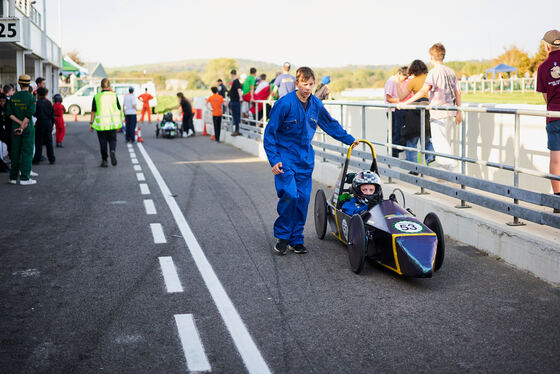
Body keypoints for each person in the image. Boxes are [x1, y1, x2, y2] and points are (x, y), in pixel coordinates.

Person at [263, 66, 359, 255]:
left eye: (311, 84)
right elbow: (269, 135)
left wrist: (349, 139)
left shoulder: (316, 104)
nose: (307, 88)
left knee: (303, 199)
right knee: (290, 195)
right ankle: (283, 237)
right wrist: (274, 160)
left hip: (305, 159)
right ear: (296, 84)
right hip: (285, 158)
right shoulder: (284, 104)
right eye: (304, 84)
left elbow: (330, 125)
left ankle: (296, 239)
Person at [400, 43, 462, 171]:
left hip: (438, 113)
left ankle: (454, 169)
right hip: (451, 112)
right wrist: (459, 110)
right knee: (445, 141)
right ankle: (442, 172)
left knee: (441, 144)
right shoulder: (450, 72)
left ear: (431, 57)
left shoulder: (434, 72)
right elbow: (458, 92)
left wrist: (405, 103)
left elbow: (423, 91)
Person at [536, 29, 560, 212]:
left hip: (554, 116)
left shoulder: (543, 67)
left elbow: (545, 97)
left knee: (556, 160)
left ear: (547, 46)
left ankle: (558, 202)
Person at [398, 60, 435, 166]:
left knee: (412, 142)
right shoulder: (430, 78)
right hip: (428, 111)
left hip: (414, 113)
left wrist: (398, 83)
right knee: (427, 139)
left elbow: (401, 97)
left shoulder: (412, 81)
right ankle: (431, 159)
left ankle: (413, 168)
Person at [6, 75, 36, 185]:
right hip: (27, 128)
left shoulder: (13, 97)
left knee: (15, 152)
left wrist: (19, 125)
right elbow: (29, 114)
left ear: (19, 84)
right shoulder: (31, 97)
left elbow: (9, 114)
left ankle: (13, 178)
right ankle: (24, 178)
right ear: (29, 84)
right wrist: (23, 126)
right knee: (27, 153)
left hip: (15, 128)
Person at [90, 78, 122, 167]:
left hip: (100, 125)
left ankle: (104, 161)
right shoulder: (114, 96)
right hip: (112, 123)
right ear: (110, 86)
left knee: (102, 143)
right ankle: (112, 151)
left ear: (101, 86)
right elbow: (119, 109)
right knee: (113, 140)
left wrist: (91, 124)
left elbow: (93, 111)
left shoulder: (96, 96)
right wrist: (120, 122)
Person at [384, 66, 409, 157]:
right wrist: (401, 101)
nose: (405, 80)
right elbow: (388, 98)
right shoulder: (392, 81)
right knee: (394, 132)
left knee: (395, 132)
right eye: (404, 77)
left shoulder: (395, 81)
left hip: (395, 110)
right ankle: (393, 153)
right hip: (393, 110)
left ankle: (394, 152)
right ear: (400, 74)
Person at [32, 87, 55, 165]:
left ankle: (37, 159)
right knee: (49, 142)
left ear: (37, 94)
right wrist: (52, 125)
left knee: (38, 142)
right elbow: (52, 115)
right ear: (46, 94)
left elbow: (34, 113)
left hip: (40, 123)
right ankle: (52, 159)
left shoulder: (37, 103)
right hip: (48, 123)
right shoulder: (49, 103)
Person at [228, 69, 243, 136]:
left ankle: (236, 130)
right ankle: (237, 130)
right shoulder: (236, 81)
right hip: (234, 101)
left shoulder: (236, 81)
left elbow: (239, 89)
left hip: (235, 101)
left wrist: (240, 97)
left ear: (232, 74)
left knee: (235, 116)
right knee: (236, 116)